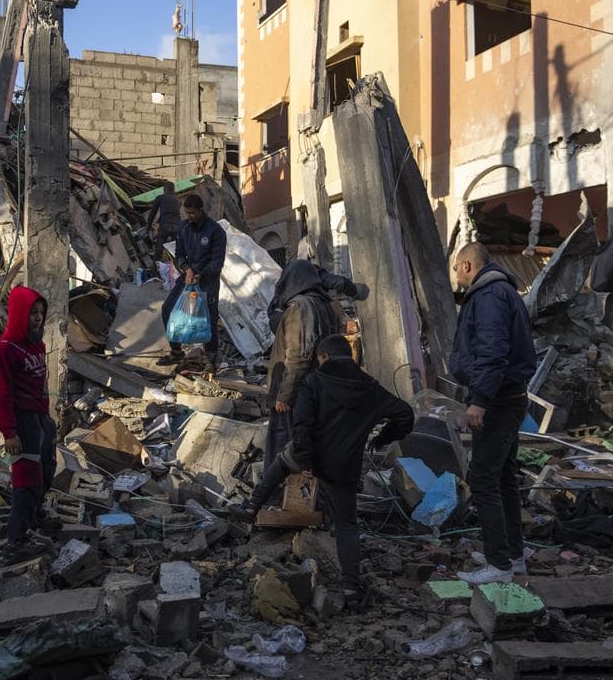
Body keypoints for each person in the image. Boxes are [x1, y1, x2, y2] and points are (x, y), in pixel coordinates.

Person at [230, 335, 414, 602]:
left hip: (313, 455)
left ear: (324, 356)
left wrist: (305, 463)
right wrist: (383, 438)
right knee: (348, 525)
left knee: (283, 460)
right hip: (345, 466)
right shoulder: (370, 388)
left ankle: (251, 507)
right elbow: (405, 415)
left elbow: (302, 424)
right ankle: (351, 588)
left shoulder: (314, 382)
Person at [448, 242, 536, 585]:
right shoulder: (503, 291)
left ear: (468, 266)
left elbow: (493, 350)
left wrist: (480, 400)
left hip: (498, 400)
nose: (456, 274)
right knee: (503, 478)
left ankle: (498, 565)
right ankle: (512, 557)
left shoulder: (488, 297)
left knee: (483, 478)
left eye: (457, 268)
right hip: (508, 395)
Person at [264, 258, 368, 465]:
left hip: (296, 396)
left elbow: (298, 357)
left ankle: (285, 495)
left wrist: (285, 395)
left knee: (286, 453)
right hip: (315, 392)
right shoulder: (324, 306)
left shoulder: (300, 307)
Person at [0, 285, 61, 564]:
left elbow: (39, 386)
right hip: (21, 423)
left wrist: (47, 421)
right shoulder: (7, 349)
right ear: (20, 313)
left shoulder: (37, 345)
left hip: (40, 421)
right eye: (32, 312)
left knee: (46, 472)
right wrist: (9, 432)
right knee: (26, 481)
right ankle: (16, 542)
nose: (38, 318)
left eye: (41, 313)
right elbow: (2, 394)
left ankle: (35, 516)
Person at [158, 194, 226, 366]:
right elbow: (179, 254)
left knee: (209, 317)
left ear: (201, 211)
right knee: (167, 308)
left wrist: (200, 274)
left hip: (207, 280)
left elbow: (218, 262)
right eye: (186, 213)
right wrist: (186, 269)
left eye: (192, 213)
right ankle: (176, 352)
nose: (189, 216)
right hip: (187, 277)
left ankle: (210, 358)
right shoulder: (184, 228)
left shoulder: (216, 231)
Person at [146, 182, 181, 265]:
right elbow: (171, 213)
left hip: (165, 226)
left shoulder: (160, 198)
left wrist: (148, 226)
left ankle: (154, 272)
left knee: (159, 250)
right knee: (176, 251)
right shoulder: (177, 200)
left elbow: (152, 213)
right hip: (177, 227)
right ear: (173, 190)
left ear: (164, 189)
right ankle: (177, 271)